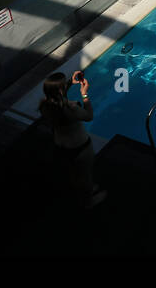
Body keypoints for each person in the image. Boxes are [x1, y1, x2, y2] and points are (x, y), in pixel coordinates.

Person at [39, 71, 106, 208]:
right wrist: (84, 94)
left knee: (74, 172)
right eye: (64, 85)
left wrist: (69, 82)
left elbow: (58, 98)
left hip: (61, 147)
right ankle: (88, 201)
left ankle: (80, 191)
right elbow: (89, 116)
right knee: (86, 175)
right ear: (60, 90)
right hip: (80, 147)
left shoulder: (45, 105)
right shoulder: (71, 108)